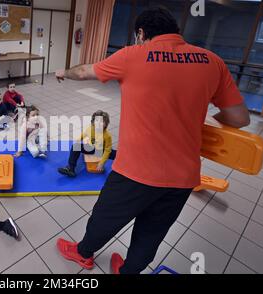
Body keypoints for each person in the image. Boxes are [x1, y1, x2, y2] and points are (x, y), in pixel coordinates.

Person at [54, 7, 250, 274]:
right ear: (176, 32)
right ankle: (128, 270)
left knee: (105, 218)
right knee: (152, 233)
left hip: (135, 171)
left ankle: (83, 254)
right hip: (183, 176)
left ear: (141, 33)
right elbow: (240, 118)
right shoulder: (212, 61)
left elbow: (86, 71)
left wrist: (64, 72)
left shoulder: (132, 55)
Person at [58, 110, 116, 177]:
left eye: (102, 121)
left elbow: (107, 150)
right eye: (97, 121)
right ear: (93, 122)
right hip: (91, 148)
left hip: (101, 150)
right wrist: (79, 139)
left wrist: (102, 163)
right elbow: (85, 133)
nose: (98, 123)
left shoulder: (107, 136)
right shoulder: (91, 128)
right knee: (75, 147)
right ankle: (70, 169)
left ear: (106, 124)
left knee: (117, 154)